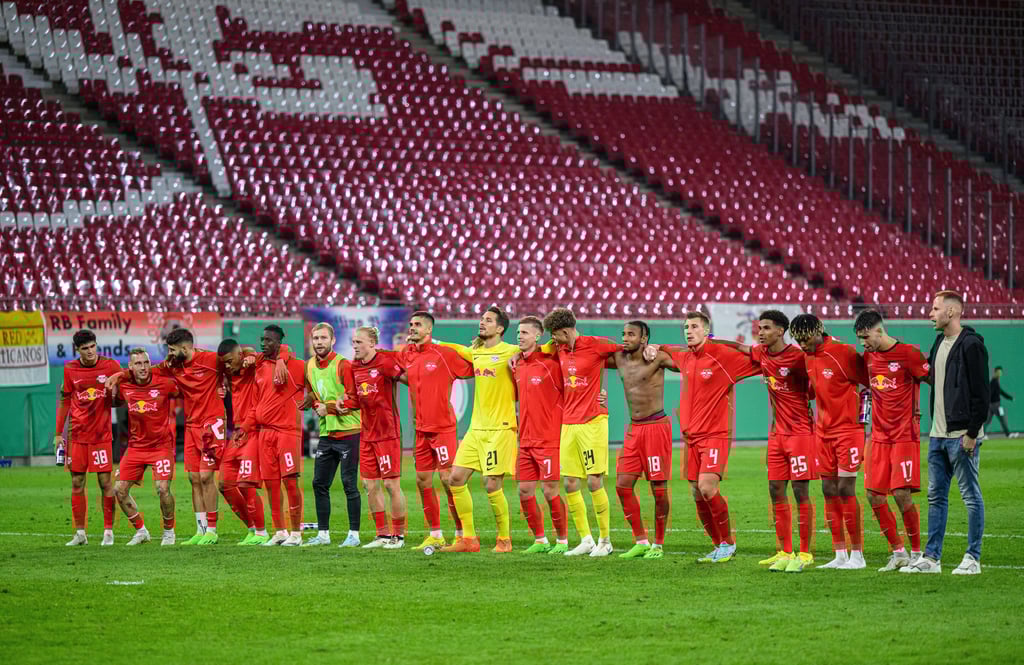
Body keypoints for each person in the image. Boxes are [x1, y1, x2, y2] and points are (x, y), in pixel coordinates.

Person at [660, 311, 761, 563]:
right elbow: (671, 351)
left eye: (694, 326)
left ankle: (728, 542)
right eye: (686, 327)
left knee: (707, 487)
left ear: (706, 331)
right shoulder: (686, 357)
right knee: (696, 492)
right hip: (690, 437)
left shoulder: (722, 356)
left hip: (715, 435)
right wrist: (656, 347)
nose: (688, 330)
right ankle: (718, 545)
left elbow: (759, 361)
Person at [902, 291, 989, 575]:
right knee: (936, 497)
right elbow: (935, 379)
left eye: (935, 308)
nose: (930, 313)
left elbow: (981, 394)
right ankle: (932, 559)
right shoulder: (939, 341)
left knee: (970, 496)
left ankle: (972, 558)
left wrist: (972, 433)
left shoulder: (972, 345)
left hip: (961, 433)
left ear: (951, 312)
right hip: (937, 435)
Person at [537, 307, 622, 557]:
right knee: (570, 482)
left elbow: (629, 352)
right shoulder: (558, 348)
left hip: (593, 421)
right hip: (568, 423)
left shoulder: (597, 345)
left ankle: (605, 540)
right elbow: (534, 350)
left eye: (555, 334)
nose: (553, 339)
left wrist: (650, 348)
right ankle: (586, 540)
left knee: (594, 480)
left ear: (566, 330)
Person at [435, 306, 519, 553]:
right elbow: (458, 349)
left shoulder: (512, 351)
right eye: (481, 319)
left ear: (500, 328)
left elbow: (542, 352)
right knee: (455, 479)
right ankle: (468, 539)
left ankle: (504, 540)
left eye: (488, 320)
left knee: (492, 484)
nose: (482, 323)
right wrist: (433, 340)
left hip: (500, 429)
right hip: (476, 429)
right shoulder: (477, 352)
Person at [790, 313, 869, 570]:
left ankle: (858, 555)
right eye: (798, 340)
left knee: (846, 489)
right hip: (822, 433)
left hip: (848, 431)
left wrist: (865, 417)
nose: (802, 345)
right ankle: (840, 554)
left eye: (806, 339)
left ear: (819, 331)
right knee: (828, 490)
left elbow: (870, 383)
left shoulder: (843, 352)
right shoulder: (808, 356)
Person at [854, 310, 929, 572]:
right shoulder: (869, 357)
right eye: (860, 339)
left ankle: (919, 553)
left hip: (904, 435)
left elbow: (931, 379)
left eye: (865, 337)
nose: (864, 343)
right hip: (878, 436)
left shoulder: (908, 353)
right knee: (874, 495)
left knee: (901, 494)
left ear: (879, 330)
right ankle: (898, 552)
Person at [396, 312, 474, 550]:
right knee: (422, 481)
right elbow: (389, 364)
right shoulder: (406, 354)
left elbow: (474, 367)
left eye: (417, 324)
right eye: (410, 324)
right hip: (420, 429)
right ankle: (436, 534)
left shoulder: (444, 354)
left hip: (443, 429)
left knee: (448, 479)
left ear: (429, 330)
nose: (412, 328)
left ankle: (461, 534)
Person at [748, 311, 817, 573]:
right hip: (776, 435)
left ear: (781, 331)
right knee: (776, 489)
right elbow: (741, 348)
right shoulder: (762, 354)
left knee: (800, 492)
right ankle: (785, 551)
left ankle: (806, 552)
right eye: (759, 327)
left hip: (800, 433)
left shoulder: (799, 358)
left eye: (766, 328)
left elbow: (815, 386)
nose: (761, 332)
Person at [606, 321, 675, 560]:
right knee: (622, 486)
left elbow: (689, 360)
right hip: (634, 430)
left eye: (631, 334)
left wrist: (661, 346)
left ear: (644, 338)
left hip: (656, 428)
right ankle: (641, 541)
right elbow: (586, 358)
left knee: (658, 489)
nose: (625, 338)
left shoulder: (657, 358)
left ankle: (658, 544)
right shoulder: (618, 359)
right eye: (623, 333)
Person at [337, 326, 408, 550]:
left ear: (372, 343)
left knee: (390, 484)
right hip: (367, 434)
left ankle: (398, 536)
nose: (355, 346)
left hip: (387, 433)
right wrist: (343, 403)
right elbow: (358, 399)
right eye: (354, 342)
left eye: (359, 342)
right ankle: (382, 535)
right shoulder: (355, 367)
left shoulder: (386, 362)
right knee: (369, 485)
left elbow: (409, 379)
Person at [237, 325, 307, 547]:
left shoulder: (296, 366)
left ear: (278, 343)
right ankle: (280, 531)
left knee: (290, 482)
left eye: (268, 340)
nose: (263, 343)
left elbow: (314, 385)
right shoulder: (260, 366)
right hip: (264, 433)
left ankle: (296, 533)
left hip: (286, 432)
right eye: (262, 339)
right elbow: (257, 403)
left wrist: (313, 397)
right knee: (271, 484)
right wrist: (246, 428)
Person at [57, 330, 123, 546]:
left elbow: (123, 394)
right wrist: (58, 433)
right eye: (85, 348)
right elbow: (66, 400)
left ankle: (108, 532)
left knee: (105, 483)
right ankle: (80, 533)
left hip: (101, 436)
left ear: (96, 345)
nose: (90, 352)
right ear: (78, 350)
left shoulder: (111, 366)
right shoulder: (70, 369)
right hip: (77, 435)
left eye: (92, 346)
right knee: (77, 482)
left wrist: (115, 397)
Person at [301, 323, 362, 547]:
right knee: (319, 483)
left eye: (323, 338)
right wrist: (315, 402)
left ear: (333, 341)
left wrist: (330, 408)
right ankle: (323, 535)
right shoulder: (308, 366)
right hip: (327, 432)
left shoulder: (343, 365)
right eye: (315, 338)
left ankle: (354, 535)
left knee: (349, 484)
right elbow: (313, 394)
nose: (319, 342)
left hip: (349, 431)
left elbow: (356, 399)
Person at [513, 316, 570, 554]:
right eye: (518, 332)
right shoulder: (517, 366)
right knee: (524, 491)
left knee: (549, 491)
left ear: (538, 336)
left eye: (525, 333)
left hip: (548, 439)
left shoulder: (552, 363)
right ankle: (539, 540)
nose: (519, 336)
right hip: (525, 440)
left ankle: (563, 541)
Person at [111, 347, 179, 546]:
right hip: (136, 448)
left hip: (161, 446)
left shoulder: (165, 384)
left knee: (163, 488)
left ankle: (169, 532)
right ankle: (141, 531)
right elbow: (114, 401)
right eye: (138, 363)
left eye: (146, 362)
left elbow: (188, 391)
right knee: (119, 490)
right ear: (130, 367)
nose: (143, 367)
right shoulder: (125, 386)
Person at [218, 340, 270, 545]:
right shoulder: (230, 372)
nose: (228, 366)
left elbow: (263, 353)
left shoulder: (251, 366)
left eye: (231, 361)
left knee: (246, 482)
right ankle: (252, 527)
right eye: (225, 364)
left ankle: (261, 532)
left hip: (253, 431)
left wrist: (251, 356)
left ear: (240, 355)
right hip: (238, 432)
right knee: (224, 483)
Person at [986, 366, 1013, 438]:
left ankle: (983, 435)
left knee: (987, 421)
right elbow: (990, 393)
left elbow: (1000, 391)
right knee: (1002, 419)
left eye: (1001, 372)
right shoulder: (994, 381)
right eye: (998, 372)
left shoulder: (996, 381)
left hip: (993, 405)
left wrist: (1009, 397)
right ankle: (1008, 434)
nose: (1000, 373)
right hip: (996, 405)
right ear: (995, 372)